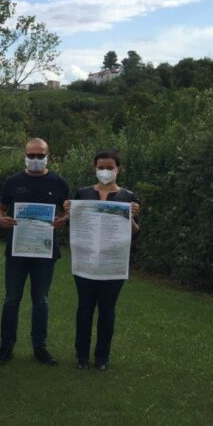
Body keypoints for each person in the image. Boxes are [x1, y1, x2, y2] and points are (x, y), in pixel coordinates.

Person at [63, 149, 140, 371]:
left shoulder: (128, 197)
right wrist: (68, 212)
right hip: (85, 263)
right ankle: (81, 356)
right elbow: (73, 225)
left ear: (118, 169)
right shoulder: (83, 193)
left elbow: (135, 233)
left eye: (110, 167)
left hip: (112, 265)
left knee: (107, 310)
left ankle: (102, 357)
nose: (105, 171)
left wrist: (131, 217)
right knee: (84, 309)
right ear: (94, 168)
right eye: (101, 167)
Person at [0, 138, 70, 366]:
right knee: (11, 300)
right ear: (24, 156)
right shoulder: (12, 182)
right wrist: (1, 219)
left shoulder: (59, 182)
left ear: (49, 156)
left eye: (40, 155)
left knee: (41, 301)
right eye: (31, 155)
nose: (36, 159)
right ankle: (6, 346)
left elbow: (68, 210)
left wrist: (63, 219)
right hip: (17, 251)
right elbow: (0, 209)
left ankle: (40, 347)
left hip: (44, 252)